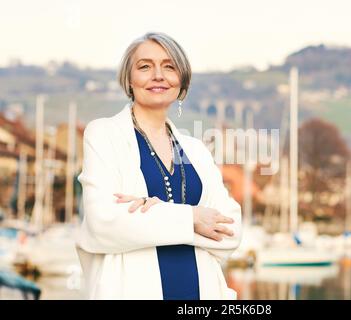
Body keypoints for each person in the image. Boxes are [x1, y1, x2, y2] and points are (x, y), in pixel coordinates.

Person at [75, 32, 242, 300]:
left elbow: (232, 231)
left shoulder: (196, 150)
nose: (158, 75)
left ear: (181, 79)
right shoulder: (104, 135)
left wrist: (154, 214)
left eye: (169, 66)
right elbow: (102, 223)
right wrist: (193, 219)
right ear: (129, 79)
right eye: (144, 66)